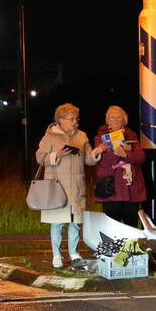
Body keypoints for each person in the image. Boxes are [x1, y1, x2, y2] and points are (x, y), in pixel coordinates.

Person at [36, 103, 99, 268]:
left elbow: (88, 160)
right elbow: (39, 157)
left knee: (75, 222)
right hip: (57, 187)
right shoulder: (50, 136)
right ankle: (56, 255)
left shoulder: (82, 136)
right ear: (61, 120)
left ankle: (74, 253)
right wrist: (56, 154)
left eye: (77, 119)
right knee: (57, 223)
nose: (75, 122)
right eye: (71, 119)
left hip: (76, 186)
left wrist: (97, 152)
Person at [91, 105, 146, 228]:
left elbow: (140, 157)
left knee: (131, 225)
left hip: (131, 187)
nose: (115, 120)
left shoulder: (132, 136)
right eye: (112, 117)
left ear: (124, 120)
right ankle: (113, 247)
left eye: (118, 118)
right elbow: (104, 161)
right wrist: (117, 152)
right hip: (111, 188)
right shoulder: (100, 137)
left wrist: (124, 154)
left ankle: (130, 247)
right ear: (107, 120)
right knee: (111, 226)